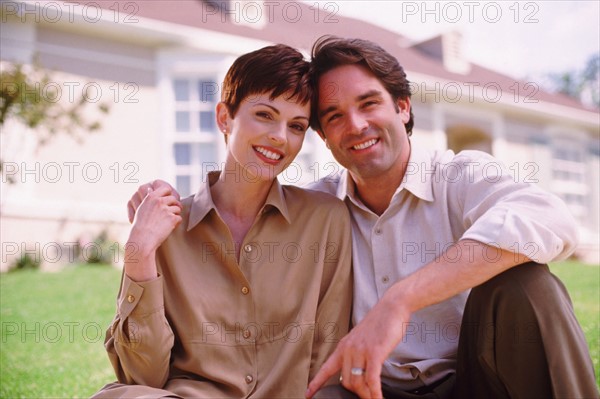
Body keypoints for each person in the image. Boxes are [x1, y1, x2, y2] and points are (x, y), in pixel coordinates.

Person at [128, 37, 599, 399]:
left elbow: (549, 218)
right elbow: (247, 194)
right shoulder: (317, 210)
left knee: (527, 285)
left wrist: (401, 300)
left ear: (402, 106)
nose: (355, 125)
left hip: (474, 380)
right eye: (333, 116)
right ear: (325, 139)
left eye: (369, 103)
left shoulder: (458, 177)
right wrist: (157, 213)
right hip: (372, 391)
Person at [91, 44, 353, 399]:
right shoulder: (164, 226)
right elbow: (143, 377)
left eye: (296, 126)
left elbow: (327, 360)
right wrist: (139, 253)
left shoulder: (325, 220)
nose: (280, 136)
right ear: (224, 118)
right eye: (264, 114)